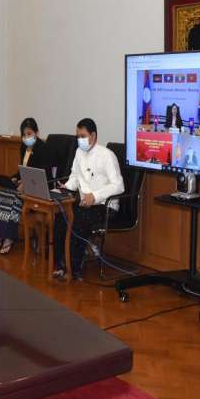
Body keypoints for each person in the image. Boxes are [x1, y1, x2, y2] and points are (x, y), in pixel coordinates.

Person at [52, 119, 124, 280]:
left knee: (77, 219)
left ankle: (73, 269)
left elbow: (119, 186)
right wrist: (64, 187)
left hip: (105, 206)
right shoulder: (79, 152)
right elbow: (74, 177)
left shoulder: (107, 155)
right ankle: (61, 265)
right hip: (84, 203)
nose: (80, 140)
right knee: (61, 216)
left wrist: (95, 196)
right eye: (77, 136)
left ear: (93, 136)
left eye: (83, 136)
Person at [0, 118, 52, 255]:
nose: (26, 138)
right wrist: (15, 178)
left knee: (13, 198)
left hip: (38, 188)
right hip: (24, 185)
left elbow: (43, 175)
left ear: (36, 132)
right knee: (1, 194)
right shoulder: (23, 147)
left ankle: (9, 237)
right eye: (24, 135)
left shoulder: (44, 149)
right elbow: (23, 170)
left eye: (29, 134)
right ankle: (0, 234)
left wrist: (26, 184)